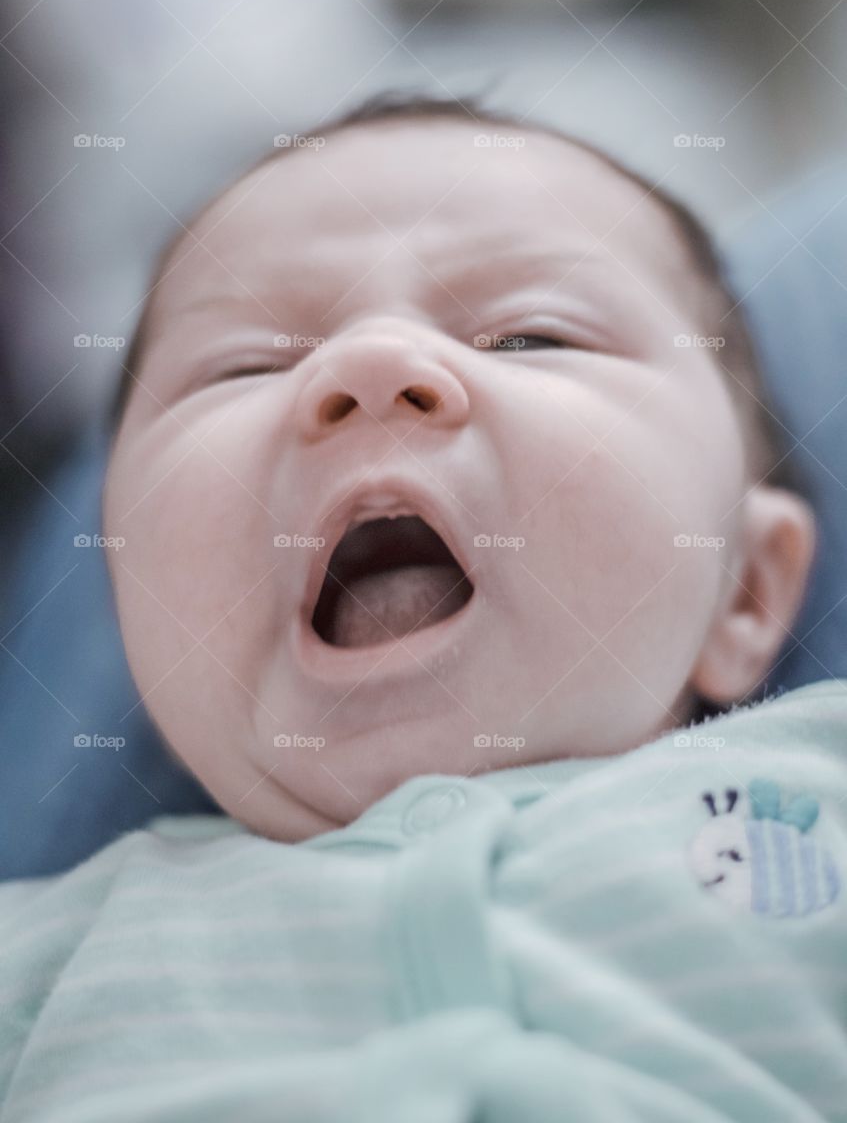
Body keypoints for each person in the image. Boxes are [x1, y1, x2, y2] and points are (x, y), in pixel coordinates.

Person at [1, 94, 843, 1122]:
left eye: (528, 336)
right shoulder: (41, 961)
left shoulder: (817, 792)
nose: (369, 366)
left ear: (744, 587)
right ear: (132, 618)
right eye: (246, 364)